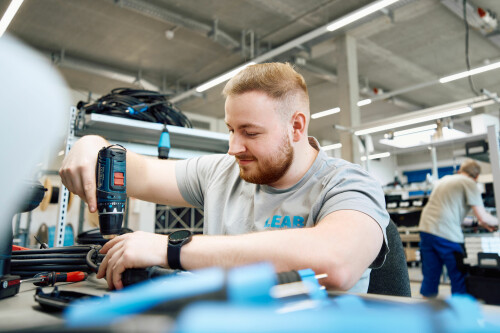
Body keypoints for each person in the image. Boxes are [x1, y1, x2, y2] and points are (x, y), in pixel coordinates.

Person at [60, 62, 389, 291]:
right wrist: (92, 147)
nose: (233, 148)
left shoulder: (348, 185)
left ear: (297, 127)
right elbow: (140, 172)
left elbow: (336, 262)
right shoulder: (222, 172)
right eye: (232, 130)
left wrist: (171, 250)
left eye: (249, 132)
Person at [418, 159, 498, 297]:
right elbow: (483, 216)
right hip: (447, 234)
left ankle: (427, 309)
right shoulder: (470, 183)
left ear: (460, 171)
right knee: (458, 273)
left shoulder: (445, 179)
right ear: (477, 176)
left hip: (426, 229)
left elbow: (448, 209)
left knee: (430, 274)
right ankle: (460, 309)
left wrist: (481, 223)